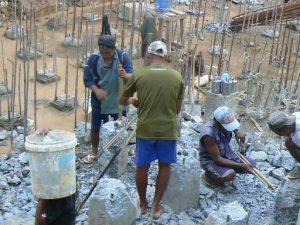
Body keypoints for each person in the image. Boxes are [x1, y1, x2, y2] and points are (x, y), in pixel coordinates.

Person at [119, 41, 184, 219]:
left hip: (146, 129)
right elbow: (176, 109)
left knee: (142, 167)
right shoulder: (177, 77)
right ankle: (156, 206)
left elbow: (122, 100)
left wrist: (134, 101)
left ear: (148, 56)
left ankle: (142, 203)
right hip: (168, 130)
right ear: (164, 57)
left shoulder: (139, 75)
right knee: (164, 166)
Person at [83, 34, 133, 163]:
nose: (105, 55)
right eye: (102, 52)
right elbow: (87, 79)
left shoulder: (123, 57)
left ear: (114, 49)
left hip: (118, 97)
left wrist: (125, 75)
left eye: (108, 53)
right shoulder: (94, 59)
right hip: (100, 99)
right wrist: (97, 90)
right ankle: (95, 150)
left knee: (121, 124)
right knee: (95, 126)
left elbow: (132, 76)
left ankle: (122, 148)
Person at [199, 106, 256, 188]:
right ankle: (209, 177)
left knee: (253, 165)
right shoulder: (209, 134)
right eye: (229, 126)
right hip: (211, 160)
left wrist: (237, 132)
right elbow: (217, 159)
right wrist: (242, 166)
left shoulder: (223, 123)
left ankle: (225, 169)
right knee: (230, 174)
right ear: (218, 123)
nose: (230, 128)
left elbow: (232, 126)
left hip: (226, 153)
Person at [34, 129, 78, 225]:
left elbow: (45, 198)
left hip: (63, 210)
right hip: (65, 207)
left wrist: (38, 216)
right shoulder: (66, 167)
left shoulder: (56, 174)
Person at [268, 111, 300, 179]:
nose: (279, 135)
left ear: (287, 128)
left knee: (289, 142)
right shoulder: (296, 115)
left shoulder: (298, 137)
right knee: (288, 141)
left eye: (279, 133)